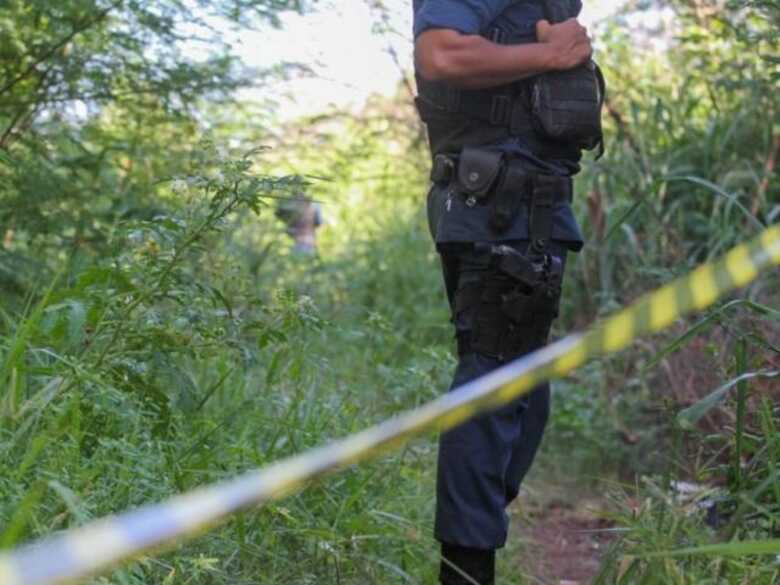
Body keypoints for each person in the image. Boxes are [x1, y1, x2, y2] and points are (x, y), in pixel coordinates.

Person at [412, 1, 598, 583]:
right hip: (500, 205)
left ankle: (474, 538)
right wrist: (551, 53)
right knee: (493, 385)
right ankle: (466, 570)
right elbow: (441, 54)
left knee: (520, 392)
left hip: (526, 205)